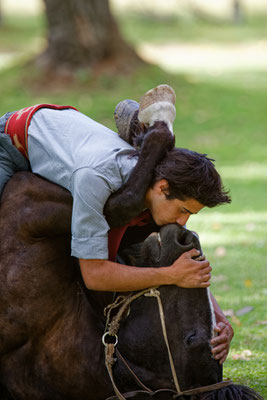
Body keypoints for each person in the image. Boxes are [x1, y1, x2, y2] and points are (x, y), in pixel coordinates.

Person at [0, 85, 233, 364]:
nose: (182, 222)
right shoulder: (97, 179)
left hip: (71, 138)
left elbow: (190, 269)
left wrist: (217, 319)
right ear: (162, 187)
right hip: (11, 141)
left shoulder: (154, 196)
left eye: (190, 215)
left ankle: (146, 131)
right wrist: (171, 274)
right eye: (183, 210)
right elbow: (95, 275)